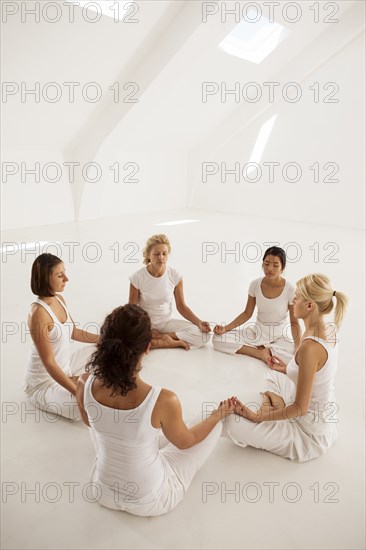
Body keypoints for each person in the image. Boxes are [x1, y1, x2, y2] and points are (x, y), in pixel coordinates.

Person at [76, 304, 234, 516]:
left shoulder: (84, 383)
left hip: (102, 491)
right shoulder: (163, 400)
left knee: (133, 431)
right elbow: (186, 442)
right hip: (150, 500)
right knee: (211, 421)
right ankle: (217, 416)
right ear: (148, 347)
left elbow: (89, 423)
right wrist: (218, 414)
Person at [222, 273, 348, 462]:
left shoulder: (309, 347)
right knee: (272, 374)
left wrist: (259, 417)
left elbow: (300, 408)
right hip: (323, 414)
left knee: (230, 423)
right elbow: (316, 374)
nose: (292, 301)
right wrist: (286, 369)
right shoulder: (328, 329)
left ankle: (277, 412)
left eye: (296, 297)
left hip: (308, 431)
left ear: (309, 305)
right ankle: (279, 406)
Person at [23, 253, 99, 420]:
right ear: (45, 278)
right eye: (60, 275)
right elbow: (49, 364)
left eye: (64, 272)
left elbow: (75, 332)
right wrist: (76, 391)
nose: (66, 278)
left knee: (106, 348)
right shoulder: (38, 313)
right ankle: (78, 383)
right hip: (43, 384)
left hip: (66, 367)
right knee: (84, 407)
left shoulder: (59, 299)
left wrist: (107, 339)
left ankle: (77, 379)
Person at [212, 246, 301, 364]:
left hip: (279, 338)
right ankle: (259, 353)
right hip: (257, 333)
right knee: (217, 339)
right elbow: (247, 313)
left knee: (297, 359)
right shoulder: (255, 284)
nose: (270, 268)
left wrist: (298, 346)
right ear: (262, 264)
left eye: (275, 265)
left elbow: (294, 322)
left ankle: (268, 349)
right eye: (267, 263)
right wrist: (225, 328)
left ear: (282, 268)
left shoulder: (290, 289)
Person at [129, 234, 210, 349]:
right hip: (145, 325)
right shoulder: (137, 277)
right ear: (148, 255)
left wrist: (199, 322)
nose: (161, 257)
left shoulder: (175, 275)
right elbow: (131, 309)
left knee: (204, 336)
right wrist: (141, 328)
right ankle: (172, 342)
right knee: (127, 337)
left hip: (166, 323)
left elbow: (182, 306)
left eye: (164, 253)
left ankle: (161, 338)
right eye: (156, 254)